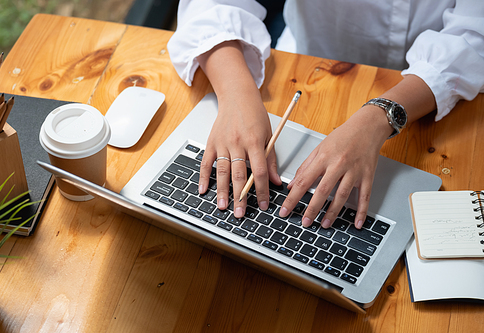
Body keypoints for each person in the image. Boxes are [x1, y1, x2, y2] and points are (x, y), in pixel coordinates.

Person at [167, 0, 484, 230]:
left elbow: (474, 36)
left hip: (431, 93)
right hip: (308, 63)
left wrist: (379, 117)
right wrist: (236, 94)